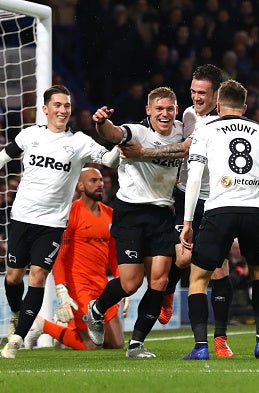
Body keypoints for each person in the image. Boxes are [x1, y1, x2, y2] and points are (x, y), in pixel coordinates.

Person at [0, 85, 120, 359]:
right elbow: (4, 156)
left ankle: (15, 340)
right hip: (22, 218)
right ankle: (17, 314)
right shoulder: (30, 135)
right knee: (13, 278)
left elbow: (110, 159)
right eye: (58, 105)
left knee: (37, 277)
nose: (63, 110)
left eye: (67, 106)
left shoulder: (79, 142)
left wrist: (114, 135)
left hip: (52, 224)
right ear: (46, 109)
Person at [119, 64, 236, 357]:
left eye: (202, 93)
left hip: (215, 198)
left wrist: (142, 153)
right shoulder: (187, 115)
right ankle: (168, 291)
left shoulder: (225, 120)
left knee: (220, 269)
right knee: (181, 259)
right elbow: (177, 146)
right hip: (186, 195)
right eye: (193, 91)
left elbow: (184, 149)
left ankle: (220, 339)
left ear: (217, 94)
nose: (196, 98)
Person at [180, 79, 259, 360]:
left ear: (219, 105)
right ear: (245, 107)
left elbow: (196, 177)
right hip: (255, 210)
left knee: (199, 278)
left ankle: (201, 347)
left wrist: (188, 222)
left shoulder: (205, 130)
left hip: (218, 209)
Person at [86, 86, 184, 358]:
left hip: (163, 212)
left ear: (176, 110)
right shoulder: (138, 132)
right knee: (130, 284)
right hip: (131, 212)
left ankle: (137, 344)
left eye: (169, 109)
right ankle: (96, 308)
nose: (165, 114)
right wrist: (102, 122)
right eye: (159, 109)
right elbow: (114, 133)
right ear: (148, 111)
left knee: (160, 280)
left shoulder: (182, 131)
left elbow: (189, 147)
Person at [23, 168, 129, 350]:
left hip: (102, 285)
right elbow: (60, 256)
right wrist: (62, 288)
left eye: (101, 181)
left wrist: (123, 284)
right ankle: (42, 325)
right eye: (93, 181)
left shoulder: (110, 214)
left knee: (116, 343)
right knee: (91, 345)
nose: (99, 184)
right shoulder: (71, 213)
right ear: (80, 185)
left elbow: (114, 255)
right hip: (79, 286)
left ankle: (63, 329)